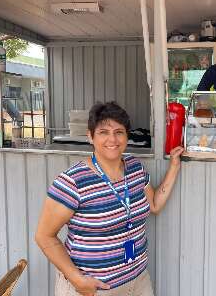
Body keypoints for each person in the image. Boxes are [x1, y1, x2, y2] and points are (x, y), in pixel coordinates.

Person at [35, 101, 184, 296]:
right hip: (94, 289)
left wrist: (174, 167)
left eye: (119, 132)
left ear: (126, 135)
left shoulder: (135, 168)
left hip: (137, 282)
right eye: (103, 132)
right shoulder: (73, 181)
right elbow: (44, 236)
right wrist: (77, 280)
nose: (112, 139)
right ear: (90, 136)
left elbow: (154, 205)